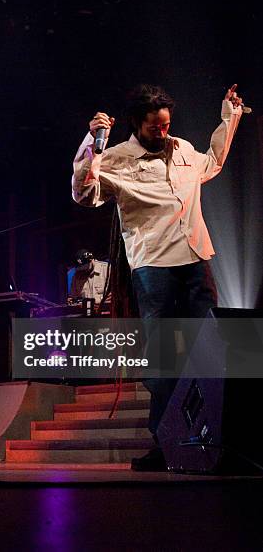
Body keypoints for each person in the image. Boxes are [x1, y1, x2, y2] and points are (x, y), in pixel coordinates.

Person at [72, 83, 244, 470]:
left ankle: (214, 436)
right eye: (155, 127)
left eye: (166, 125)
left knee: (210, 350)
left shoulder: (182, 148)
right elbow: (83, 194)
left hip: (196, 258)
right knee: (165, 356)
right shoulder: (115, 159)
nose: (163, 133)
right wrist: (91, 145)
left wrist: (229, 116)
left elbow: (213, 162)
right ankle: (165, 442)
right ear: (137, 124)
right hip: (153, 266)